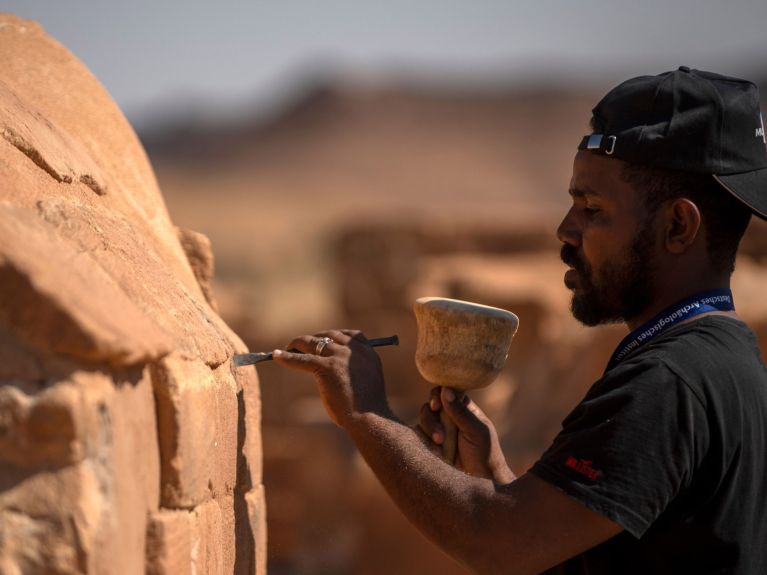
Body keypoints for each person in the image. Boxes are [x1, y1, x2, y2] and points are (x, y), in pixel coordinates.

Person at [273, 67, 767, 574]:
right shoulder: (723, 354)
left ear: (677, 226)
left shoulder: (669, 381)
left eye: (592, 209)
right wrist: (494, 474)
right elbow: (556, 542)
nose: (565, 230)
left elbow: (500, 543)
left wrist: (365, 412)